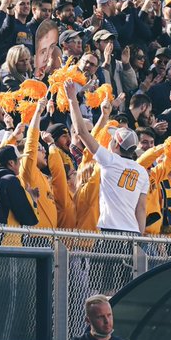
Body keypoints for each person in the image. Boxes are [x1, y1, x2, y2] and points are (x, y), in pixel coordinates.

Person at [64, 80, 149, 233]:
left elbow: (82, 132)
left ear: (116, 145)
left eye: (112, 139)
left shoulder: (109, 160)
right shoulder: (142, 171)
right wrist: (140, 237)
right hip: (133, 232)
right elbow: (141, 209)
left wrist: (72, 100)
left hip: (110, 230)